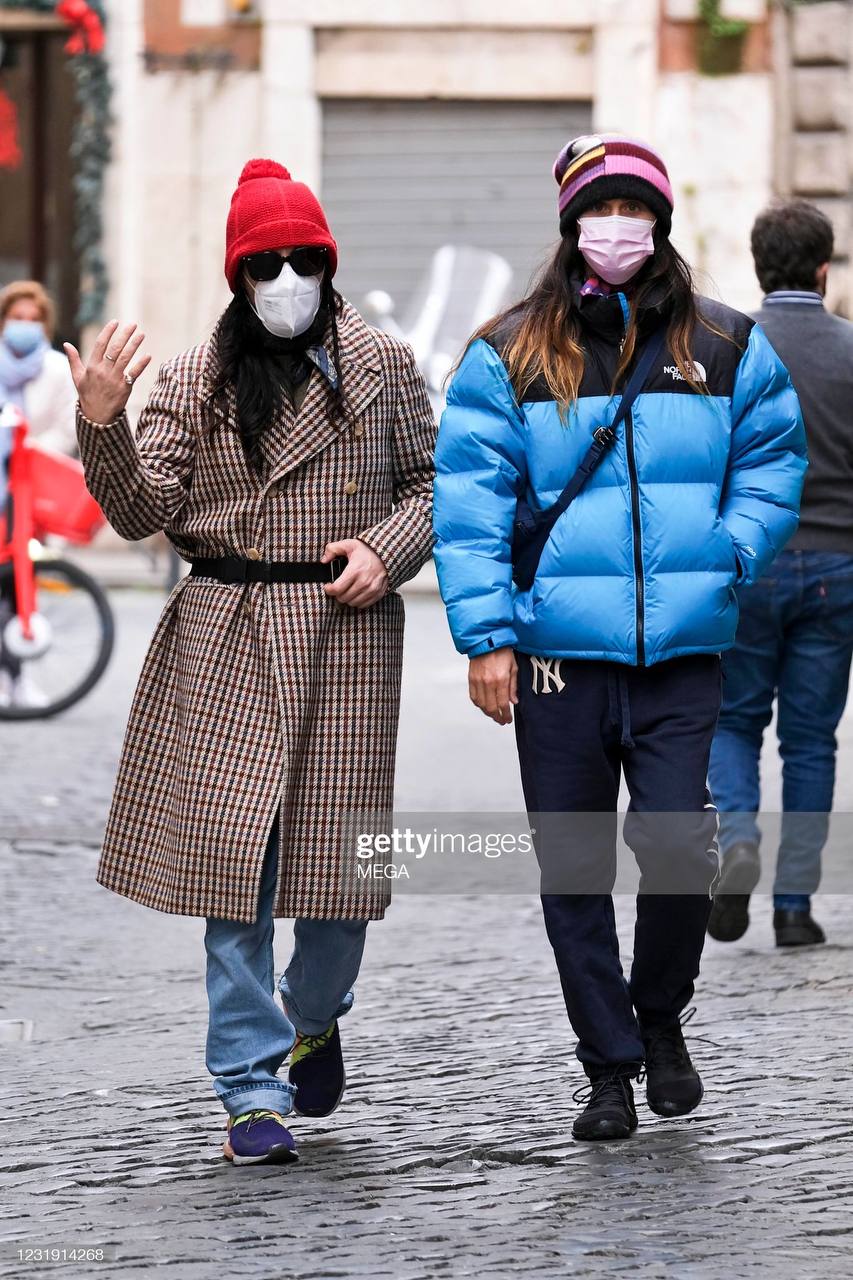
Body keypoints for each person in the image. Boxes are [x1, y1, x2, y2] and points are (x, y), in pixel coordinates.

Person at [433, 134, 805, 1141]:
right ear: (570, 227)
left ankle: (660, 1017)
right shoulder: (507, 350)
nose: (617, 228)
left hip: (680, 652)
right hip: (555, 655)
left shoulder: (723, 343)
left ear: (661, 225)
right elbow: (469, 503)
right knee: (575, 868)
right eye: (601, 211)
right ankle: (607, 1065)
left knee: (679, 844)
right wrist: (485, 637)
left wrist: (728, 551)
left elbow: (774, 458)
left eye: (635, 210)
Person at [65, 159, 436, 1166]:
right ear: (236, 274)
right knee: (238, 879)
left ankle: (313, 1012)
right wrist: (101, 421)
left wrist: (384, 549)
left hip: (344, 636)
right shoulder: (190, 379)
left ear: (327, 263)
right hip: (225, 631)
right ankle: (248, 1088)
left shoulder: (387, 368)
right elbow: (143, 512)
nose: (284, 277)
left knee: (338, 888)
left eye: (301, 259)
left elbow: (432, 486)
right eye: (263, 262)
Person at [708, 200, 853, 949]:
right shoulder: (850, 349)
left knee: (731, 721)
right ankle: (793, 907)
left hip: (747, 562)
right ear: (824, 268)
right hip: (835, 566)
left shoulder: (727, 348)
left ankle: (736, 841)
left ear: (759, 267)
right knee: (810, 742)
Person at [0, 281, 79, 708]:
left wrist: (23, 451)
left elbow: (69, 427)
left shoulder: (55, 369)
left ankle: (18, 675)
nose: (24, 326)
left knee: (21, 585)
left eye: (33, 320)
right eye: (17, 318)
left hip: (31, 491)